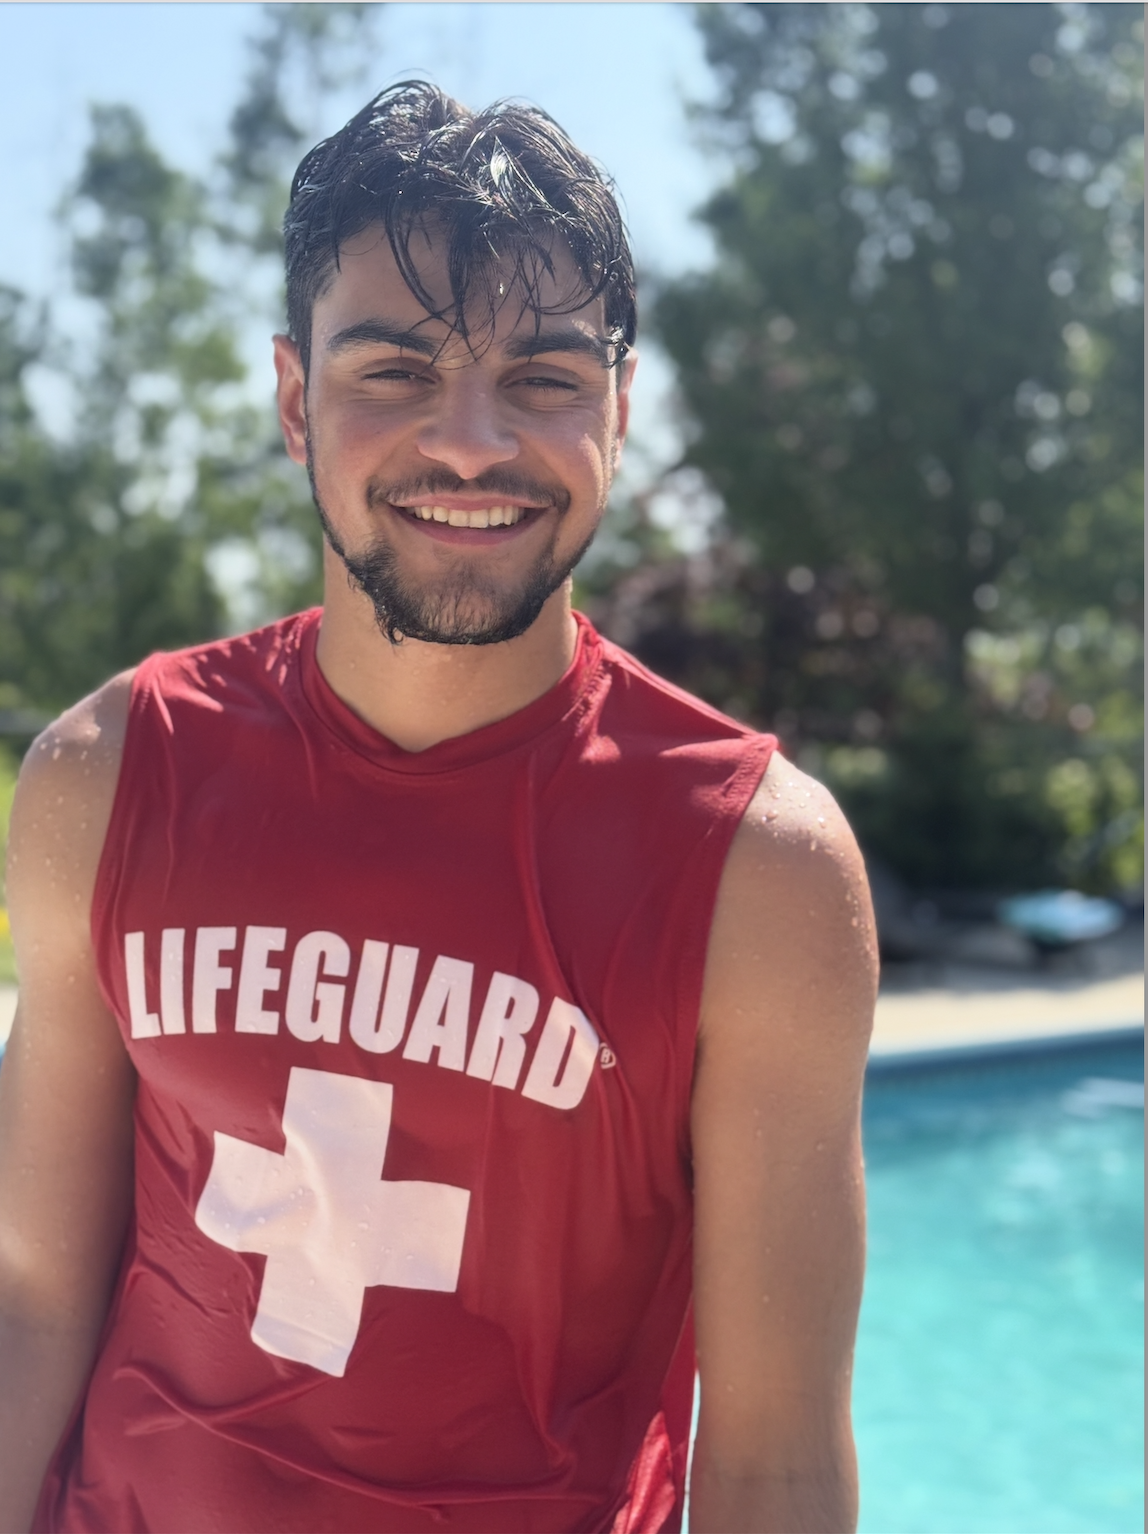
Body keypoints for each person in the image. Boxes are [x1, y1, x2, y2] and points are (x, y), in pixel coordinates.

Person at [0, 83, 876, 1534]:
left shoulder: (757, 870)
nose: (470, 442)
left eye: (541, 374)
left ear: (619, 406)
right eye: (394, 370)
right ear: (294, 398)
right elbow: (31, 1290)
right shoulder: (108, 778)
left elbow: (773, 1456)